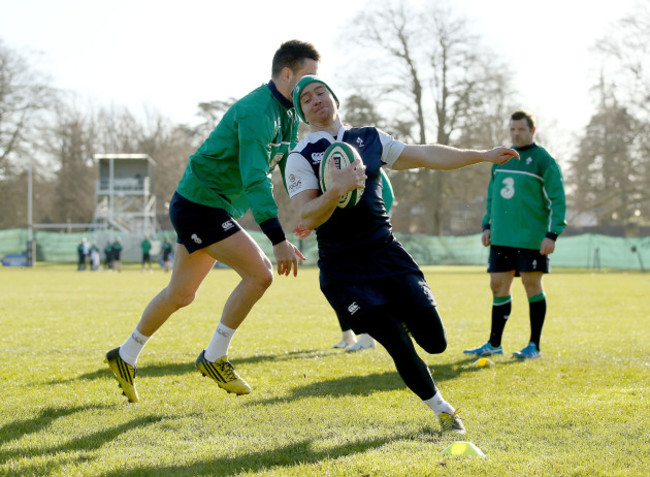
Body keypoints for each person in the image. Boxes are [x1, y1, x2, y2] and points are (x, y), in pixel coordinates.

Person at [285, 75, 519, 433]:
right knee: (397, 343)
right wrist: (338, 189)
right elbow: (306, 215)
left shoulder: (370, 138)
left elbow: (426, 155)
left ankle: (399, 312)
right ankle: (443, 409)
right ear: (302, 112)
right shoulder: (300, 157)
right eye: (306, 100)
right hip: (344, 270)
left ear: (334, 98)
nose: (316, 100)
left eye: (321, 93)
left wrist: (482, 156)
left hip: (388, 255)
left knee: (436, 342)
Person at [105, 40, 320, 403]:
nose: (314, 87)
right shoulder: (258, 112)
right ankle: (215, 356)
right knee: (261, 273)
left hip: (208, 206)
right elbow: (255, 179)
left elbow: (288, 165)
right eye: (308, 77)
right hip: (200, 204)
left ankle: (124, 356)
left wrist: (306, 212)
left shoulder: (289, 116)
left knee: (181, 294)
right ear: (287, 74)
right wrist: (277, 237)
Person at [463, 110, 566, 360]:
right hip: (501, 237)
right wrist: (487, 226)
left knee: (532, 286)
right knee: (497, 286)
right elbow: (492, 196)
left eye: (520, 129)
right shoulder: (502, 158)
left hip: (532, 238)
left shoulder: (544, 160)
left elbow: (558, 199)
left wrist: (552, 234)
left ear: (532, 131)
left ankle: (534, 346)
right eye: (512, 129)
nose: (516, 133)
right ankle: (494, 344)